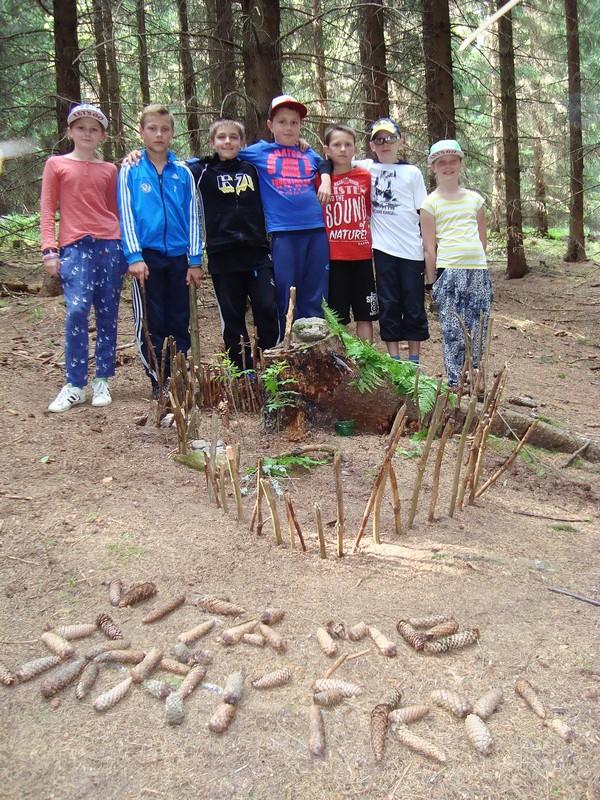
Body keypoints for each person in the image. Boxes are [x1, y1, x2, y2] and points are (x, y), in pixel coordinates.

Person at [40, 103, 129, 413]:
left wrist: (127, 250)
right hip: (75, 247)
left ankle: (102, 379)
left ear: (102, 135)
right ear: (70, 132)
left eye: (94, 129)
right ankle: (75, 384)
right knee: (77, 311)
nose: (87, 133)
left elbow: (115, 210)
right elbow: (47, 208)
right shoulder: (56, 164)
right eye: (81, 128)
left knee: (108, 313)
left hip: (110, 246)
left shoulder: (109, 170)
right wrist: (50, 249)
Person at [318, 118, 428, 364]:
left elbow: (423, 212)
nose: (385, 143)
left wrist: (430, 250)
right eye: (379, 139)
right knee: (376, 307)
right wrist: (324, 177)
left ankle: (401, 360)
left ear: (400, 141)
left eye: (390, 138)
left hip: (392, 251)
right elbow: (327, 160)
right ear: (371, 145)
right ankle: (358, 362)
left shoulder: (398, 172)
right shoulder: (365, 167)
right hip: (364, 251)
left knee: (403, 306)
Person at [118, 104, 202, 397]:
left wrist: (195, 260)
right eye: (152, 128)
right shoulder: (131, 169)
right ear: (141, 131)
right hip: (147, 257)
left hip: (178, 257)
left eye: (165, 129)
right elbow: (126, 214)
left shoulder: (183, 173)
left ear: (172, 133)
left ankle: (178, 375)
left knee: (179, 318)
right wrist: (134, 256)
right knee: (152, 320)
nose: (159, 134)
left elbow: (193, 217)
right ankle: (159, 378)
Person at [186, 118, 279, 371]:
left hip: (257, 252)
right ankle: (242, 371)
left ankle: (271, 366)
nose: (227, 142)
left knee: (267, 307)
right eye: (221, 137)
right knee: (232, 316)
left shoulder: (253, 168)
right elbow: (172, 165)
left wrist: (301, 144)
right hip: (223, 254)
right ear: (212, 142)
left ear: (242, 142)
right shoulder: (201, 170)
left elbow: (275, 153)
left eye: (233, 137)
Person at [237, 95, 331, 332]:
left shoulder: (307, 153)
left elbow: (324, 163)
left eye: (294, 122)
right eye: (282, 122)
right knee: (287, 289)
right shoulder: (260, 151)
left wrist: (326, 180)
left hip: (316, 229)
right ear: (270, 125)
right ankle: (287, 339)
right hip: (284, 232)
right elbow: (227, 154)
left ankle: (314, 340)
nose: (288, 127)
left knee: (316, 290)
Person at [419, 139, 493, 389]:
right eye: (441, 162)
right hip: (449, 272)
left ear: (460, 163)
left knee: (478, 327)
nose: (448, 166)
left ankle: (476, 379)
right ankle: (456, 382)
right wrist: (432, 283)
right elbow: (429, 248)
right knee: (453, 330)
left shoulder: (475, 200)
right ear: (433, 167)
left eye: (452, 161)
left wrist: (476, 261)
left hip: (477, 271)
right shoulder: (430, 203)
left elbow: (482, 239)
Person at [316, 123, 377, 342]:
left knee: (365, 315)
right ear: (327, 149)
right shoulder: (319, 179)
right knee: (337, 317)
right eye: (336, 145)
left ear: (355, 149)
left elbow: (368, 210)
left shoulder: (364, 177)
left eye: (348, 145)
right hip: (334, 258)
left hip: (362, 256)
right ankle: (341, 358)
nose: (342, 149)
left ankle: (366, 357)